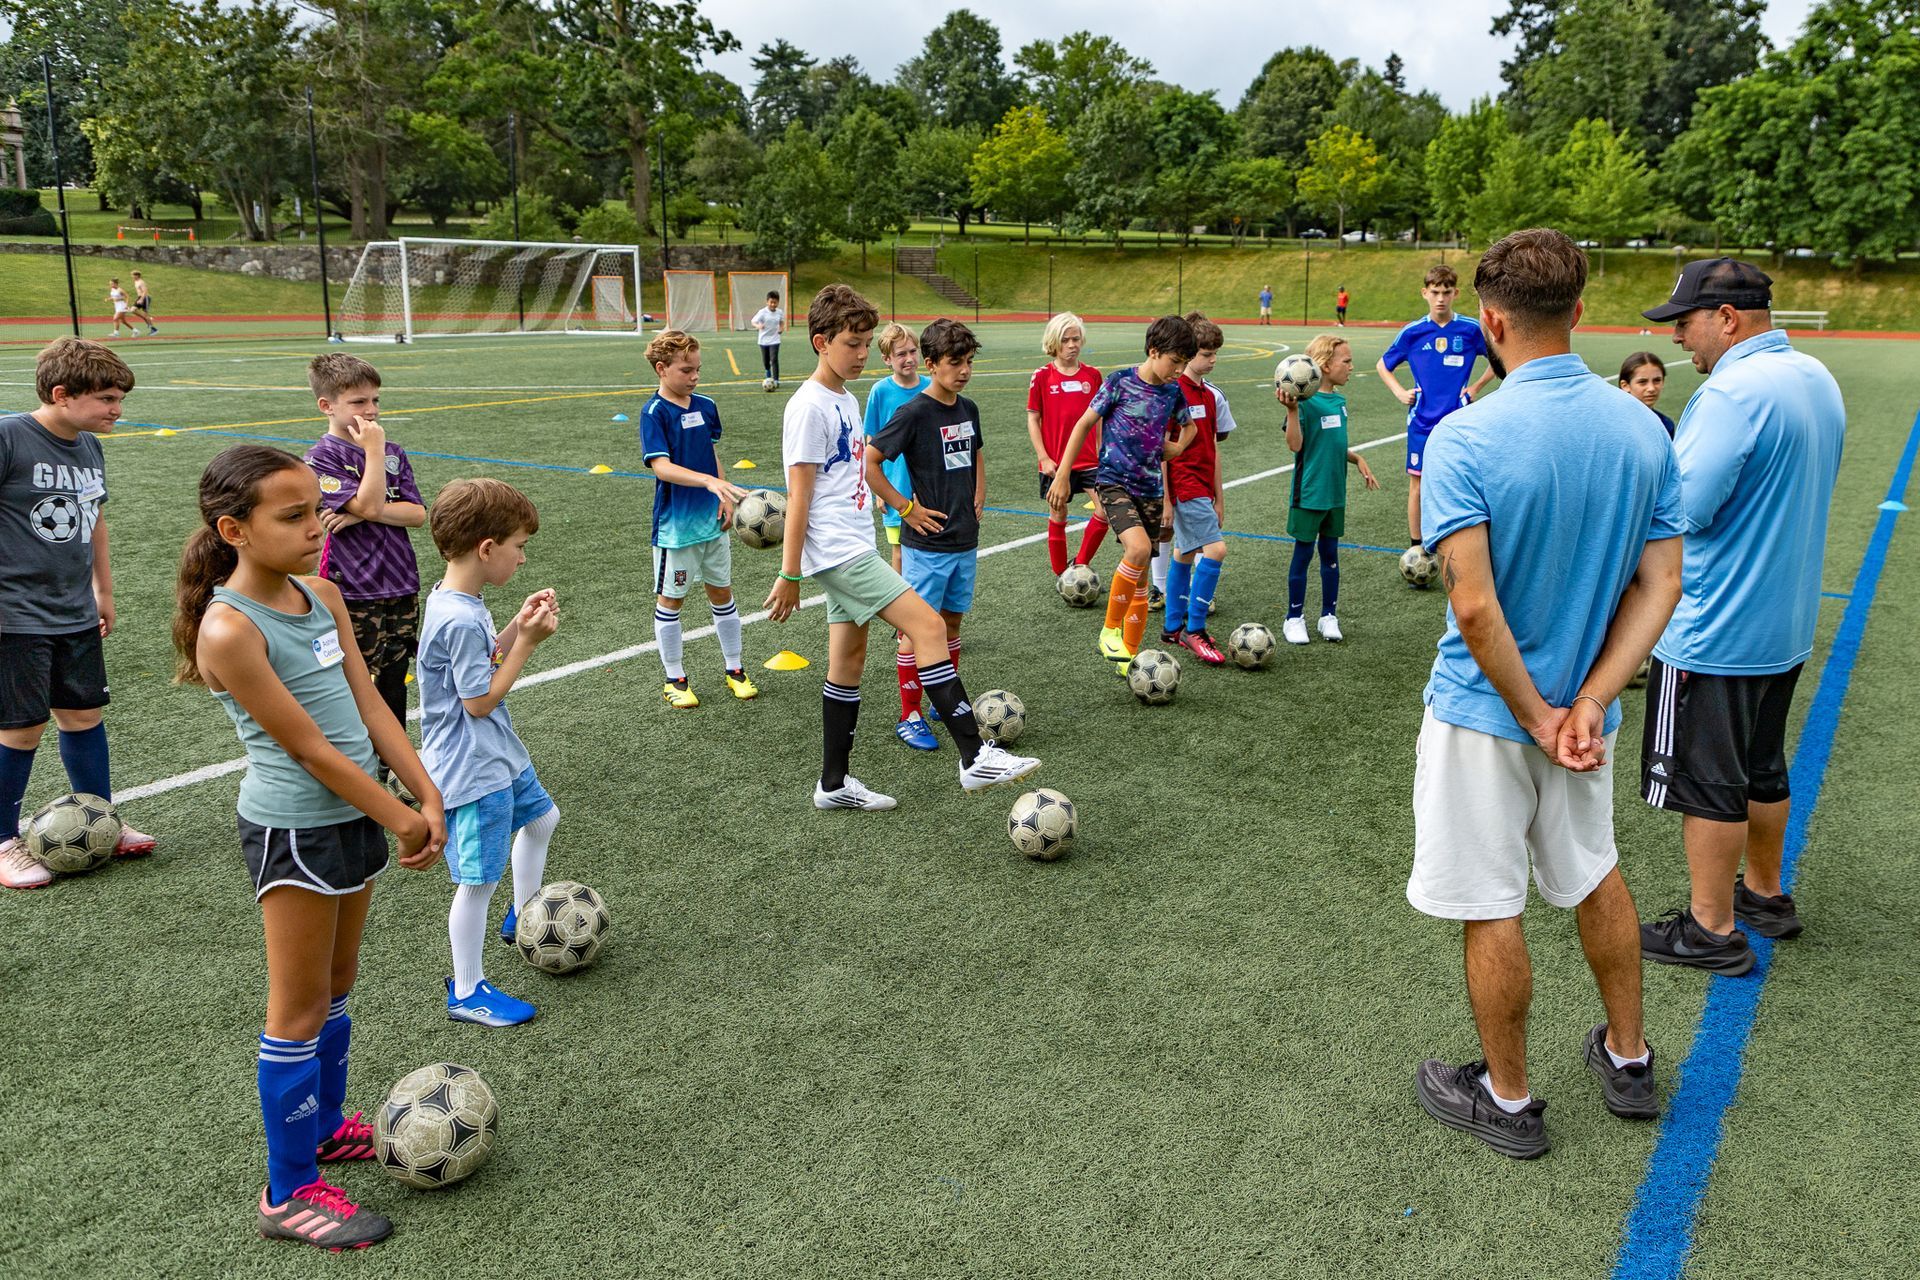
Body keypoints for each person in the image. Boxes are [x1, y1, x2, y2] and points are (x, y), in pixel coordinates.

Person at [1409, 228, 1684, 1160]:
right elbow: (1661, 585)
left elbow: (1477, 611)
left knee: (1494, 902)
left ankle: (1511, 1100)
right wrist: (1593, 702)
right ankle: (1630, 1055)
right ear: (1578, 312)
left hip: (1489, 714)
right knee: (1594, 872)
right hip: (1581, 714)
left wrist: (1536, 715)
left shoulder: (1465, 435)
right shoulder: (1642, 425)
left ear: (1491, 321)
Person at [174, 444, 446, 1249]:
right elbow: (310, 751)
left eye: (312, 508)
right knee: (294, 1009)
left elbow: (369, 707)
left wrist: (424, 790)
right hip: (295, 828)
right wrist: (400, 817)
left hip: (357, 817)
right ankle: (287, 1192)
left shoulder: (320, 592)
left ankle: (325, 1128)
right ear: (235, 529)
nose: (314, 525)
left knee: (338, 981)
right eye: (291, 516)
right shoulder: (227, 629)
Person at [1635, 258, 1846, 971]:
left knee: (1708, 782)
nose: (1679, 344)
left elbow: (1683, 509)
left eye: (1686, 325)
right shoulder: (1815, 377)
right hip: (1784, 622)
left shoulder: (1731, 393)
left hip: (1715, 626)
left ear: (1727, 318)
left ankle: (1709, 929)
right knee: (1762, 767)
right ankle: (1764, 893)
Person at [765, 285, 1038, 809]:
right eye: (853, 343)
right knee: (929, 626)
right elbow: (797, 497)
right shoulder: (807, 407)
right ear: (822, 342)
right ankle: (974, 757)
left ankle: (833, 784)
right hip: (840, 555)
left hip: (852, 543)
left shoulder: (844, 398)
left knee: (848, 661)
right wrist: (790, 573)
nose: (863, 353)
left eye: (867, 342)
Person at [1, 338, 159, 890]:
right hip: (14, 614)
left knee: (83, 716)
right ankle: (3, 841)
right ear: (63, 394)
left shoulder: (89, 446)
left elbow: (93, 520)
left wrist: (103, 591)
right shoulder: (9, 436)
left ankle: (102, 820)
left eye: (120, 398)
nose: (118, 408)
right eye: (108, 398)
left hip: (73, 609)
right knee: (20, 727)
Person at [417, 478, 561, 1027]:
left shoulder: (461, 599)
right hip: (470, 763)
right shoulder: (455, 615)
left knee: (543, 817)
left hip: (495, 751)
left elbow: (480, 657)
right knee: (477, 878)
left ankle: (523, 916)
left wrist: (513, 628)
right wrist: (527, 645)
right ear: (486, 548)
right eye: (519, 547)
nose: (523, 559)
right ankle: (468, 989)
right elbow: (477, 700)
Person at [1045, 316, 1199, 670]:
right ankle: (1109, 630)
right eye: (1174, 362)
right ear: (1153, 350)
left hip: (1150, 490)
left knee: (1141, 574)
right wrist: (1063, 474)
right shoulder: (1119, 383)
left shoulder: (1174, 392)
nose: (1178, 370)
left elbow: (1190, 427)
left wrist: (1176, 448)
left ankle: (1127, 654)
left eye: (1183, 364)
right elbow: (1083, 424)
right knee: (1139, 549)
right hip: (1114, 482)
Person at [867, 319, 987, 752]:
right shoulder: (914, 412)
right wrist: (906, 508)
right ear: (932, 363)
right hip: (928, 545)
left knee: (952, 621)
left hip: (963, 538)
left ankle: (943, 699)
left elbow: (975, 453)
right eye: (955, 363)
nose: (964, 371)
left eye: (969, 362)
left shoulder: (968, 408)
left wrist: (979, 494)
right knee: (917, 629)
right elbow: (871, 463)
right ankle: (910, 713)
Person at [302, 354, 425, 775]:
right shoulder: (321, 458)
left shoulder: (395, 452)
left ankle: (393, 766)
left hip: (401, 582)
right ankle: (353, 766)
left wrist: (361, 512)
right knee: (350, 683)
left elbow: (418, 514)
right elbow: (377, 501)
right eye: (358, 402)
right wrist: (372, 460)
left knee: (395, 678)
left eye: (374, 400)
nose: (371, 411)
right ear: (327, 406)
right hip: (352, 589)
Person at [639, 330, 756, 709]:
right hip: (677, 529)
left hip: (711, 521)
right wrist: (707, 481)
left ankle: (735, 670)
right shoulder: (654, 413)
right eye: (686, 370)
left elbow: (711, 453)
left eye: (698, 369)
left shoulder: (705, 406)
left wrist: (722, 494)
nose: (694, 377)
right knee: (672, 601)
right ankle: (675, 678)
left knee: (722, 593)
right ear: (662, 368)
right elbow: (662, 468)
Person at [1377, 265, 1498, 555]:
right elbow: (1384, 364)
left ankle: (1465, 542)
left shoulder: (1470, 329)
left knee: (1464, 482)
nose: (1440, 298)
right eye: (1435, 292)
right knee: (1417, 484)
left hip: (1460, 420)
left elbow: (1498, 358)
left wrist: (1475, 388)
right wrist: (1399, 391)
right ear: (1425, 293)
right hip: (1421, 420)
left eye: (1446, 292)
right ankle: (1417, 547)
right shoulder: (1413, 332)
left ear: (1455, 293)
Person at [1277, 334, 1379, 645]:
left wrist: (1357, 457)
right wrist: (1293, 412)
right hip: (1309, 493)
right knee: (1303, 555)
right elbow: (1296, 446)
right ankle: (1294, 618)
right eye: (1346, 361)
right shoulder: (1304, 403)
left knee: (1331, 555)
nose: (1351, 367)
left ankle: (1328, 616)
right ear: (1323, 365)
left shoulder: (1339, 402)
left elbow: (1333, 445)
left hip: (1335, 493)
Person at [1161, 312, 1239, 664]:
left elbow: (1214, 448)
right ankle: (1195, 629)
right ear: (1189, 352)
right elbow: (1162, 449)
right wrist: (1165, 499)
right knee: (1216, 550)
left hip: (1202, 487)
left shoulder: (1209, 395)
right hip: (1182, 484)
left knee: (1184, 552)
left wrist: (1219, 496)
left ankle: (1173, 626)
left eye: (1214, 353)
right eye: (1206, 354)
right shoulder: (1174, 392)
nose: (1212, 360)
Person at [1027, 312, 1106, 578]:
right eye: (1065, 339)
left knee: (1105, 510)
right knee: (1059, 514)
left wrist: (1102, 450)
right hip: (1056, 463)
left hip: (1090, 461)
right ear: (1054, 341)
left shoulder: (1093, 376)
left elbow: (1100, 420)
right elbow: (1033, 419)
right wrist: (1044, 458)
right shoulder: (1041, 376)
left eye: (1076, 339)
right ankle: (1062, 572)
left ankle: (1080, 564)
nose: (1072, 344)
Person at [864, 323, 929, 575]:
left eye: (913, 351)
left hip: (927, 484)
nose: (909, 359)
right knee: (900, 551)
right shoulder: (880, 392)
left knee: (929, 548)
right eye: (901, 354)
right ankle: (904, 607)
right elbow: (872, 440)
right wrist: (880, 491)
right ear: (887, 359)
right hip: (895, 484)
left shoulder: (931, 387)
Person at [1617, 352, 1675, 437]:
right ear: (1625, 386)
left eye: (1657, 380)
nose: (1651, 388)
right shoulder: (1615, 423)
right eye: (1642, 382)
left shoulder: (1666, 425)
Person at [752, 290, 784, 388]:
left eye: (775, 302)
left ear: (778, 302)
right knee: (766, 361)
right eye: (771, 302)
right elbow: (753, 321)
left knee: (774, 359)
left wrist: (781, 328)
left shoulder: (780, 312)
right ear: (767, 302)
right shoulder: (762, 312)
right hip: (763, 340)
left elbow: (781, 322)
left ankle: (776, 380)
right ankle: (768, 373)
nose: (773, 304)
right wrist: (758, 326)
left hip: (775, 339)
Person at [130, 271, 158, 335]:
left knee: (144, 314)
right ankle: (147, 318)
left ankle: (154, 329)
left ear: (137, 275)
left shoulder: (141, 282)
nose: (132, 276)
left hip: (145, 298)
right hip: (140, 297)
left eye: (133, 275)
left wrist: (142, 299)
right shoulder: (136, 282)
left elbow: (145, 291)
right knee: (132, 310)